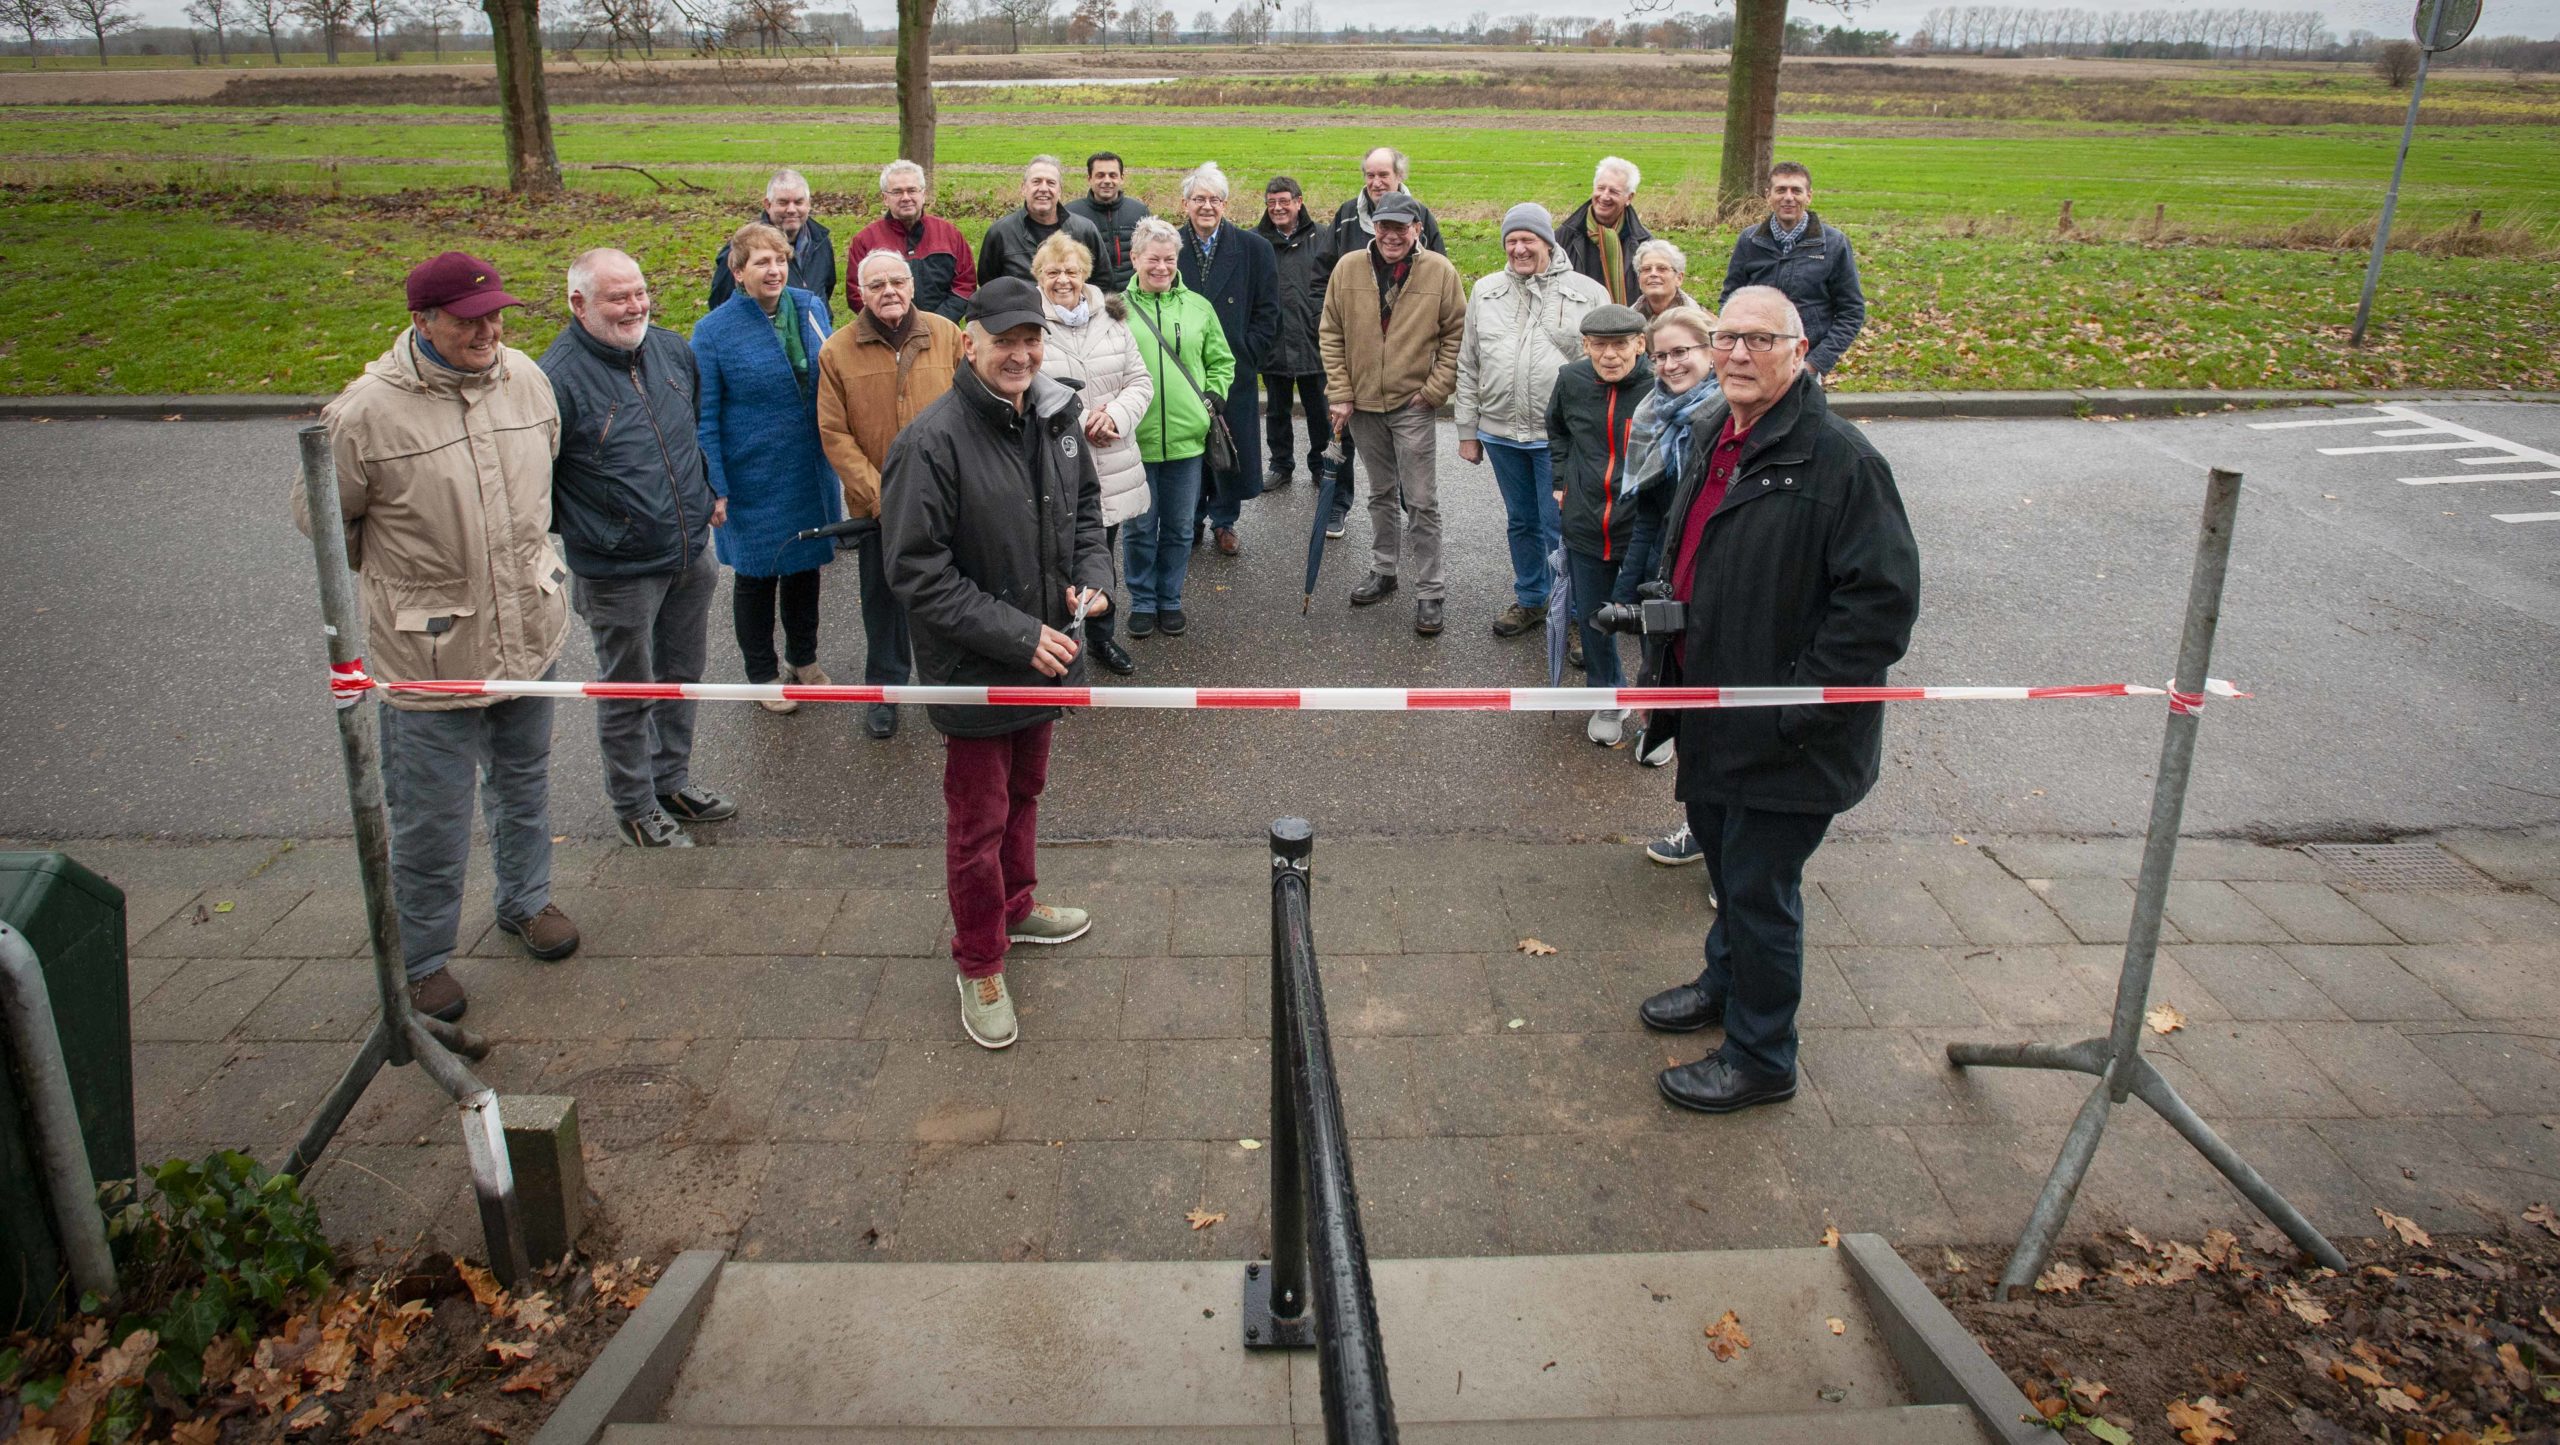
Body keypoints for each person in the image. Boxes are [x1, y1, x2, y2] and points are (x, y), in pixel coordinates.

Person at [1637, 285, 1920, 1115]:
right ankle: (1726, 985)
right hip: (1710, 712)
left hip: (1785, 735)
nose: (1735, 355)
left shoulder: (1842, 461)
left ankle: (1763, 1056)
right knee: (1726, 864)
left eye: (1759, 341)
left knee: (1761, 891)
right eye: (1726, 337)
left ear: (1800, 351)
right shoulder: (1714, 431)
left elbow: (1879, 608)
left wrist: (1798, 708)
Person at [294, 250, 578, 1024]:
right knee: (431, 815)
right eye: (467, 320)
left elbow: (545, 476)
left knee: (524, 784)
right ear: (422, 322)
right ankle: (420, 962)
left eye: (495, 315)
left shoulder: (526, 378)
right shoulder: (363, 413)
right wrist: (413, 579)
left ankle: (526, 901)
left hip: (530, 630)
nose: (488, 330)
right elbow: (322, 522)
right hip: (430, 653)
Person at [882, 276, 1113, 1051]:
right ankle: (979, 959)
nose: (1020, 354)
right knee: (975, 822)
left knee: (1028, 788)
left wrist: (1097, 579)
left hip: (1047, 655)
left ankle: (1018, 905)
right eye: (1004, 340)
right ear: (968, 342)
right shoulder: (929, 442)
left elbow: (1085, 511)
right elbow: (918, 574)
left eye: (1031, 339)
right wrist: (1019, 636)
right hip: (978, 668)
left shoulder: (1057, 415)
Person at [540, 248, 735, 850]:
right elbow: (538, 484)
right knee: (629, 690)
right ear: (579, 304)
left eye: (640, 292)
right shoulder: (555, 379)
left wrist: (702, 495)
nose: (635, 306)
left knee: (683, 677)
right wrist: (601, 528)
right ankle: (633, 803)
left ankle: (671, 780)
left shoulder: (674, 351)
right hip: (618, 570)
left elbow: (687, 429)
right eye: (618, 297)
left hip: (688, 551)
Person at [815, 249, 964, 740]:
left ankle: (954, 689)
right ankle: (885, 690)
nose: (889, 292)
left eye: (897, 281)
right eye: (876, 284)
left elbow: (970, 411)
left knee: (953, 596)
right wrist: (883, 498)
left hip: (948, 501)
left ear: (913, 284)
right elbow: (835, 435)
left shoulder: (947, 335)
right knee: (883, 602)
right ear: (861, 293)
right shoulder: (837, 351)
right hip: (879, 509)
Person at [695, 221, 841, 714]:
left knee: (805, 569)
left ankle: (805, 660)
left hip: (809, 469)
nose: (774, 269)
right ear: (738, 272)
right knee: (757, 576)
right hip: (752, 476)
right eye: (761, 262)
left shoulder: (809, 307)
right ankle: (761, 673)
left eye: (780, 260)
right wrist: (714, 483)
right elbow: (704, 414)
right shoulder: (713, 332)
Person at [1452, 202, 1605, 640]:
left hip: (1559, 440)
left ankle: (1574, 613)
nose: (1519, 248)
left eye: (1528, 240)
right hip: (1500, 433)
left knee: (1562, 526)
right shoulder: (1486, 290)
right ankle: (1532, 599)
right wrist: (1467, 430)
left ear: (1547, 242)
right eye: (1512, 241)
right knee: (1521, 521)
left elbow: (1604, 367)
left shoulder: (1587, 292)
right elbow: (1469, 363)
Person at [1319, 192, 1465, 637]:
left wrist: (1435, 391)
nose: (1391, 235)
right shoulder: (1347, 268)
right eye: (1384, 226)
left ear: (1417, 229)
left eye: (1401, 227)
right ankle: (1384, 570)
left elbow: (1456, 334)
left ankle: (1430, 591)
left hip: (1411, 406)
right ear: (1374, 228)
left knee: (1421, 501)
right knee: (1380, 493)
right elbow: (1330, 332)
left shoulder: (1439, 271)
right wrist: (1341, 392)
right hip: (1362, 406)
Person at [1626, 304, 1724, 869]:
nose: (1669, 364)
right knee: (1688, 712)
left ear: (1709, 352)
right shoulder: (1654, 410)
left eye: (1681, 352)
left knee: (1727, 722)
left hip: (1720, 584)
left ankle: (1733, 864)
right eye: (1660, 355)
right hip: (1675, 576)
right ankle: (1701, 828)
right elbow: (1655, 505)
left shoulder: (1724, 415)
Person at [1033, 231, 1153, 677]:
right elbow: (1029, 385)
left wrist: (1117, 416)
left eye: (1071, 271)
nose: (1063, 280)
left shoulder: (1113, 318)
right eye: (1053, 272)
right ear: (1038, 277)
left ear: (1085, 274)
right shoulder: (1030, 322)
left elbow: (1140, 381)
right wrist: (1084, 420)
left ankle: (1102, 637)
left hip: (1112, 459)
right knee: (1054, 558)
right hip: (1056, 459)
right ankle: (1060, 645)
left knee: (1100, 553)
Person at [1546, 304, 1655, 748]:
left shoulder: (1658, 384)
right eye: (1599, 346)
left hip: (1644, 530)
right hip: (1586, 524)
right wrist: (1560, 480)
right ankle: (1608, 696)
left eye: (1620, 345)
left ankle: (1658, 712)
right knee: (1594, 620)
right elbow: (1556, 430)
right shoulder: (1571, 380)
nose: (1610, 355)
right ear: (1586, 346)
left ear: (1640, 345)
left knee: (1655, 625)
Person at [1121, 216, 1233, 641]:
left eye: (1169, 259)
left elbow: (1222, 361)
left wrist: (1215, 394)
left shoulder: (1198, 307)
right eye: (1153, 259)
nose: (1162, 267)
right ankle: (1143, 601)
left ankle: (1170, 599)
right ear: (1135, 258)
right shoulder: (1114, 310)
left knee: (1181, 527)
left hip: (1187, 440)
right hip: (1135, 439)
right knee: (1139, 528)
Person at [1172, 161, 1279, 557]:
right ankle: (1190, 519)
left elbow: (1269, 312)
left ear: (1225, 204)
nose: (1206, 206)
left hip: (1232, 367)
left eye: (1214, 199)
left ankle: (1224, 521)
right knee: (1189, 446)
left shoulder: (1254, 248)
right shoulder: (1170, 247)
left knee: (1227, 446)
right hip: (1181, 367)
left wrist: (1247, 352)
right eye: (1198, 198)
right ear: (1185, 204)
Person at [1718, 162, 1867, 382]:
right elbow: (1729, 301)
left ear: (1809, 196)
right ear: (1768, 195)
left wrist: (1816, 363)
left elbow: (1852, 311)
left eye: (1796, 190)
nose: (1788, 197)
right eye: (1781, 190)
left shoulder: (1833, 244)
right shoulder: (1749, 241)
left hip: (1805, 364)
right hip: (1755, 360)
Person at [848, 158, 978, 323]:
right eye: (897, 192)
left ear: (923, 194)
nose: (906, 197)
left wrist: (936, 323)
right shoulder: (865, 241)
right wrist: (892, 323)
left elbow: (965, 285)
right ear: (885, 198)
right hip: (885, 335)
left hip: (941, 332)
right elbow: (855, 293)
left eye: (912, 190)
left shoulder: (949, 235)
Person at [708, 167, 836, 311]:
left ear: (808, 204)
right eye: (783, 202)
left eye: (799, 202)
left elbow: (826, 288)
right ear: (768, 205)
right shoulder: (742, 249)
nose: (791, 209)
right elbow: (721, 306)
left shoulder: (820, 241)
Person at [976, 154, 1107, 284]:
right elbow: (988, 284)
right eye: (1036, 181)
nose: (1043, 189)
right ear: (1023, 188)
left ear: (1059, 191)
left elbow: (1103, 280)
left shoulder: (1084, 230)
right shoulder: (1001, 232)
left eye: (1051, 183)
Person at [1558, 156, 1653, 307]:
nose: (1604, 196)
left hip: (1625, 324)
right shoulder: (1565, 235)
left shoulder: (1644, 243)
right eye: (1601, 188)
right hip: (1577, 325)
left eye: (1614, 191)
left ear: (1629, 198)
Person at [1328, 145, 1447, 259]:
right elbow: (1323, 270)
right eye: (1370, 176)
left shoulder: (1421, 215)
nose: (1376, 183)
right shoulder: (1347, 214)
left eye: (1383, 175)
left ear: (1399, 175)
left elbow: (1440, 268)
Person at [1067, 151, 1152, 294]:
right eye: (1100, 175)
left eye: (1113, 175)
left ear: (1121, 178)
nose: (1107, 180)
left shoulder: (1139, 212)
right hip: (1089, 298)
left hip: (1134, 297)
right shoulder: (1071, 214)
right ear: (1089, 178)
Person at [1632, 238, 1700, 321]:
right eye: (1646, 269)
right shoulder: (1629, 319)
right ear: (1639, 279)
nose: (1653, 274)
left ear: (1679, 278)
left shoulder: (1697, 320)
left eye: (1662, 268)